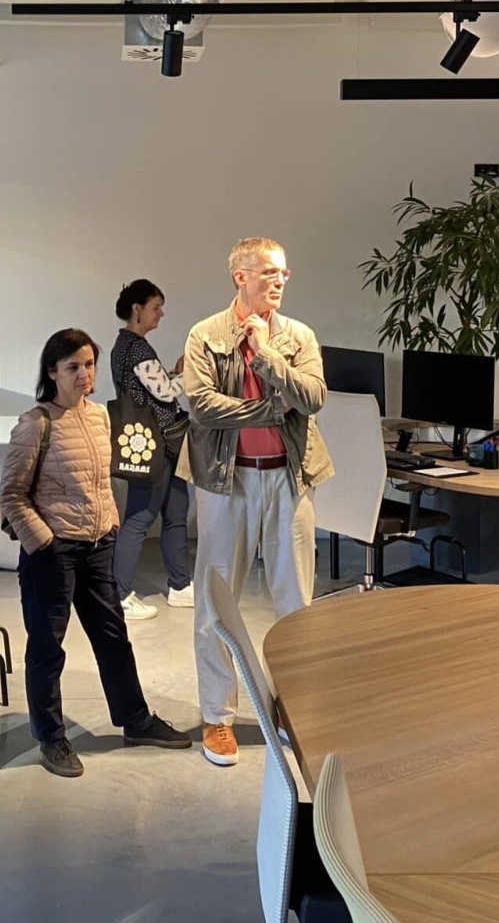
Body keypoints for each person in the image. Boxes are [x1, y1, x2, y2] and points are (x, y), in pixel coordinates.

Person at [0, 328, 193, 777]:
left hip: (97, 545)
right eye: (73, 367)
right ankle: (51, 737)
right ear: (52, 372)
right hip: (53, 552)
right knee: (47, 647)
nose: (84, 374)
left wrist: (109, 523)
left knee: (113, 638)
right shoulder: (35, 423)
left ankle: (136, 720)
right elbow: (11, 494)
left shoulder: (101, 417)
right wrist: (43, 540)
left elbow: (101, 483)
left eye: (89, 365)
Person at [182, 237, 332, 769]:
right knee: (216, 601)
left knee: (295, 604)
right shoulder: (205, 334)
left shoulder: (297, 336)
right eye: (269, 271)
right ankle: (217, 716)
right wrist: (270, 410)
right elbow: (201, 407)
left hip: (289, 479)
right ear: (239, 276)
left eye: (284, 272)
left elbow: (312, 398)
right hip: (226, 481)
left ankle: (293, 711)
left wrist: (267, 353)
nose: (280, 280)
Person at [111, 279, 193, 622]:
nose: (161, 314)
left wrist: (175, 373)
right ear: (137, 309)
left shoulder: (124, 346)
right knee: (141, 516)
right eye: (156, 307)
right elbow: (165, 393)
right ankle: (120, 594)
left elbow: (154, 387)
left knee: (175, 511)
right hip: (158, 443)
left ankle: (180, 585)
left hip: (156, 443)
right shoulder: (137, 348)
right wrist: (190, 373)